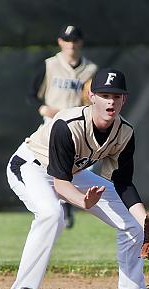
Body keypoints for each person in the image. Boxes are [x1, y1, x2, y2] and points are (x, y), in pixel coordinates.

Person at [5, 68, 149, 289]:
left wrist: (145, 221)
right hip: (32, 166)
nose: (110, 101)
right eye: (104, 95)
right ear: (91, 96)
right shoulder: (68, 125)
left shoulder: (125, 132)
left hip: (72, 173)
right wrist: (82, 201)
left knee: (132, 224)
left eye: (116, 96)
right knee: (52, 215)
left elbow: (123, 183)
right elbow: (60, 184)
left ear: (124, 100)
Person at [27, 24, 98, 229]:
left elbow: (94, 97)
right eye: (67, 40)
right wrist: (43, 108)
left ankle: (66, 204)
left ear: (80, 42)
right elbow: (31, 95)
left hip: (78, 124)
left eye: (75, 40)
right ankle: (56, 206)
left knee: (80, 168)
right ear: (60, 42)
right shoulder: (50, 65)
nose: (71, 44)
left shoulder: (91, 69)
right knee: (50, 165)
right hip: (53, 122)